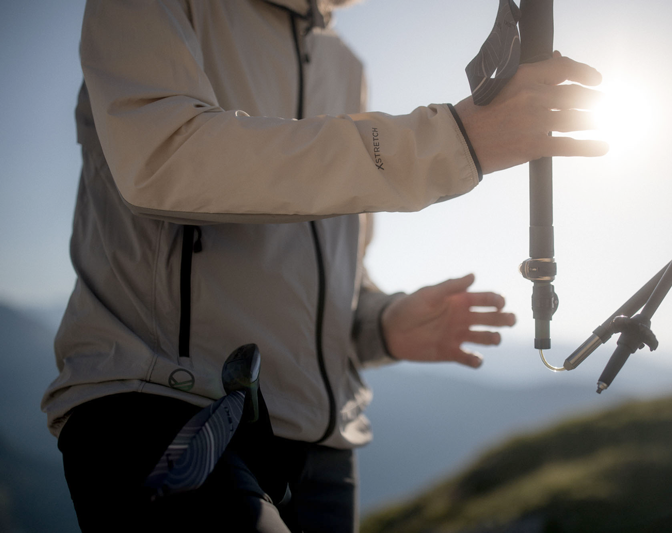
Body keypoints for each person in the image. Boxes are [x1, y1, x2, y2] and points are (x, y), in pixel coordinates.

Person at [42, 0, 607, 531]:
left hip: (324, 451)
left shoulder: (345, 63)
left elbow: (335, 263)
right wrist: (448, 142)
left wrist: (380, 323)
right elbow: (166, 160)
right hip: (160, 404)